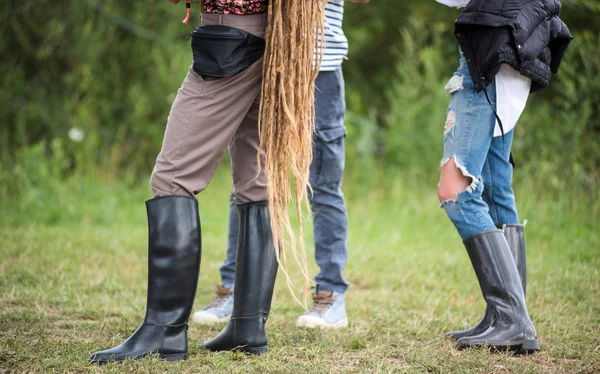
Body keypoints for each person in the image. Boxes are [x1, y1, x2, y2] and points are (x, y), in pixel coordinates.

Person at [89, 0, 325, 363]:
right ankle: (247, 327)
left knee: (172, 178)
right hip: (280, 41)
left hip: (233, 37)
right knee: (257, 184)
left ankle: (164, 332)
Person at [192, 0, 370, 330]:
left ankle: (331, 295)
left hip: (320, 68)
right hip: (260, 58)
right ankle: (234, 289)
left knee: (323, 185)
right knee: (249, 181)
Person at [436, 0, 572, 352]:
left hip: (494, 53)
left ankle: (512, 318)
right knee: (495, 188)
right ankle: (506, 317)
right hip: (510, 54)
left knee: (457, 191)